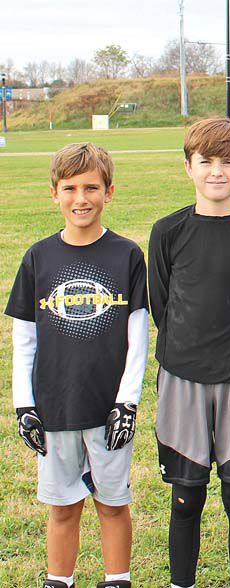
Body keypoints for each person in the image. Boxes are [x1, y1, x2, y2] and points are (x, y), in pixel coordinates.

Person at [7, 142, 149, 588]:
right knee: (64, 506)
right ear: (54, 194)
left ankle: (117, 579)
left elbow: (138, 337)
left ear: (110, 191)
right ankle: (58, 580)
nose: (81, 198)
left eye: (91, 187)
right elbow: (24, 341)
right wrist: (23, 405)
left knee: (111, 503)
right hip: (55, 405)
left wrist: (127, 402)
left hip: (108, 406)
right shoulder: (38, 257)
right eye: (70, 188)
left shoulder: (127, 256)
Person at [148, 117, 230, 588]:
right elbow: (161, 305)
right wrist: (191, 351)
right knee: (185, 497)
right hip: (182, 378)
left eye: (228, 162)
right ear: (189, 166)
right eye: (206, 161)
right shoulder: (167, 231)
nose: (217, 172)